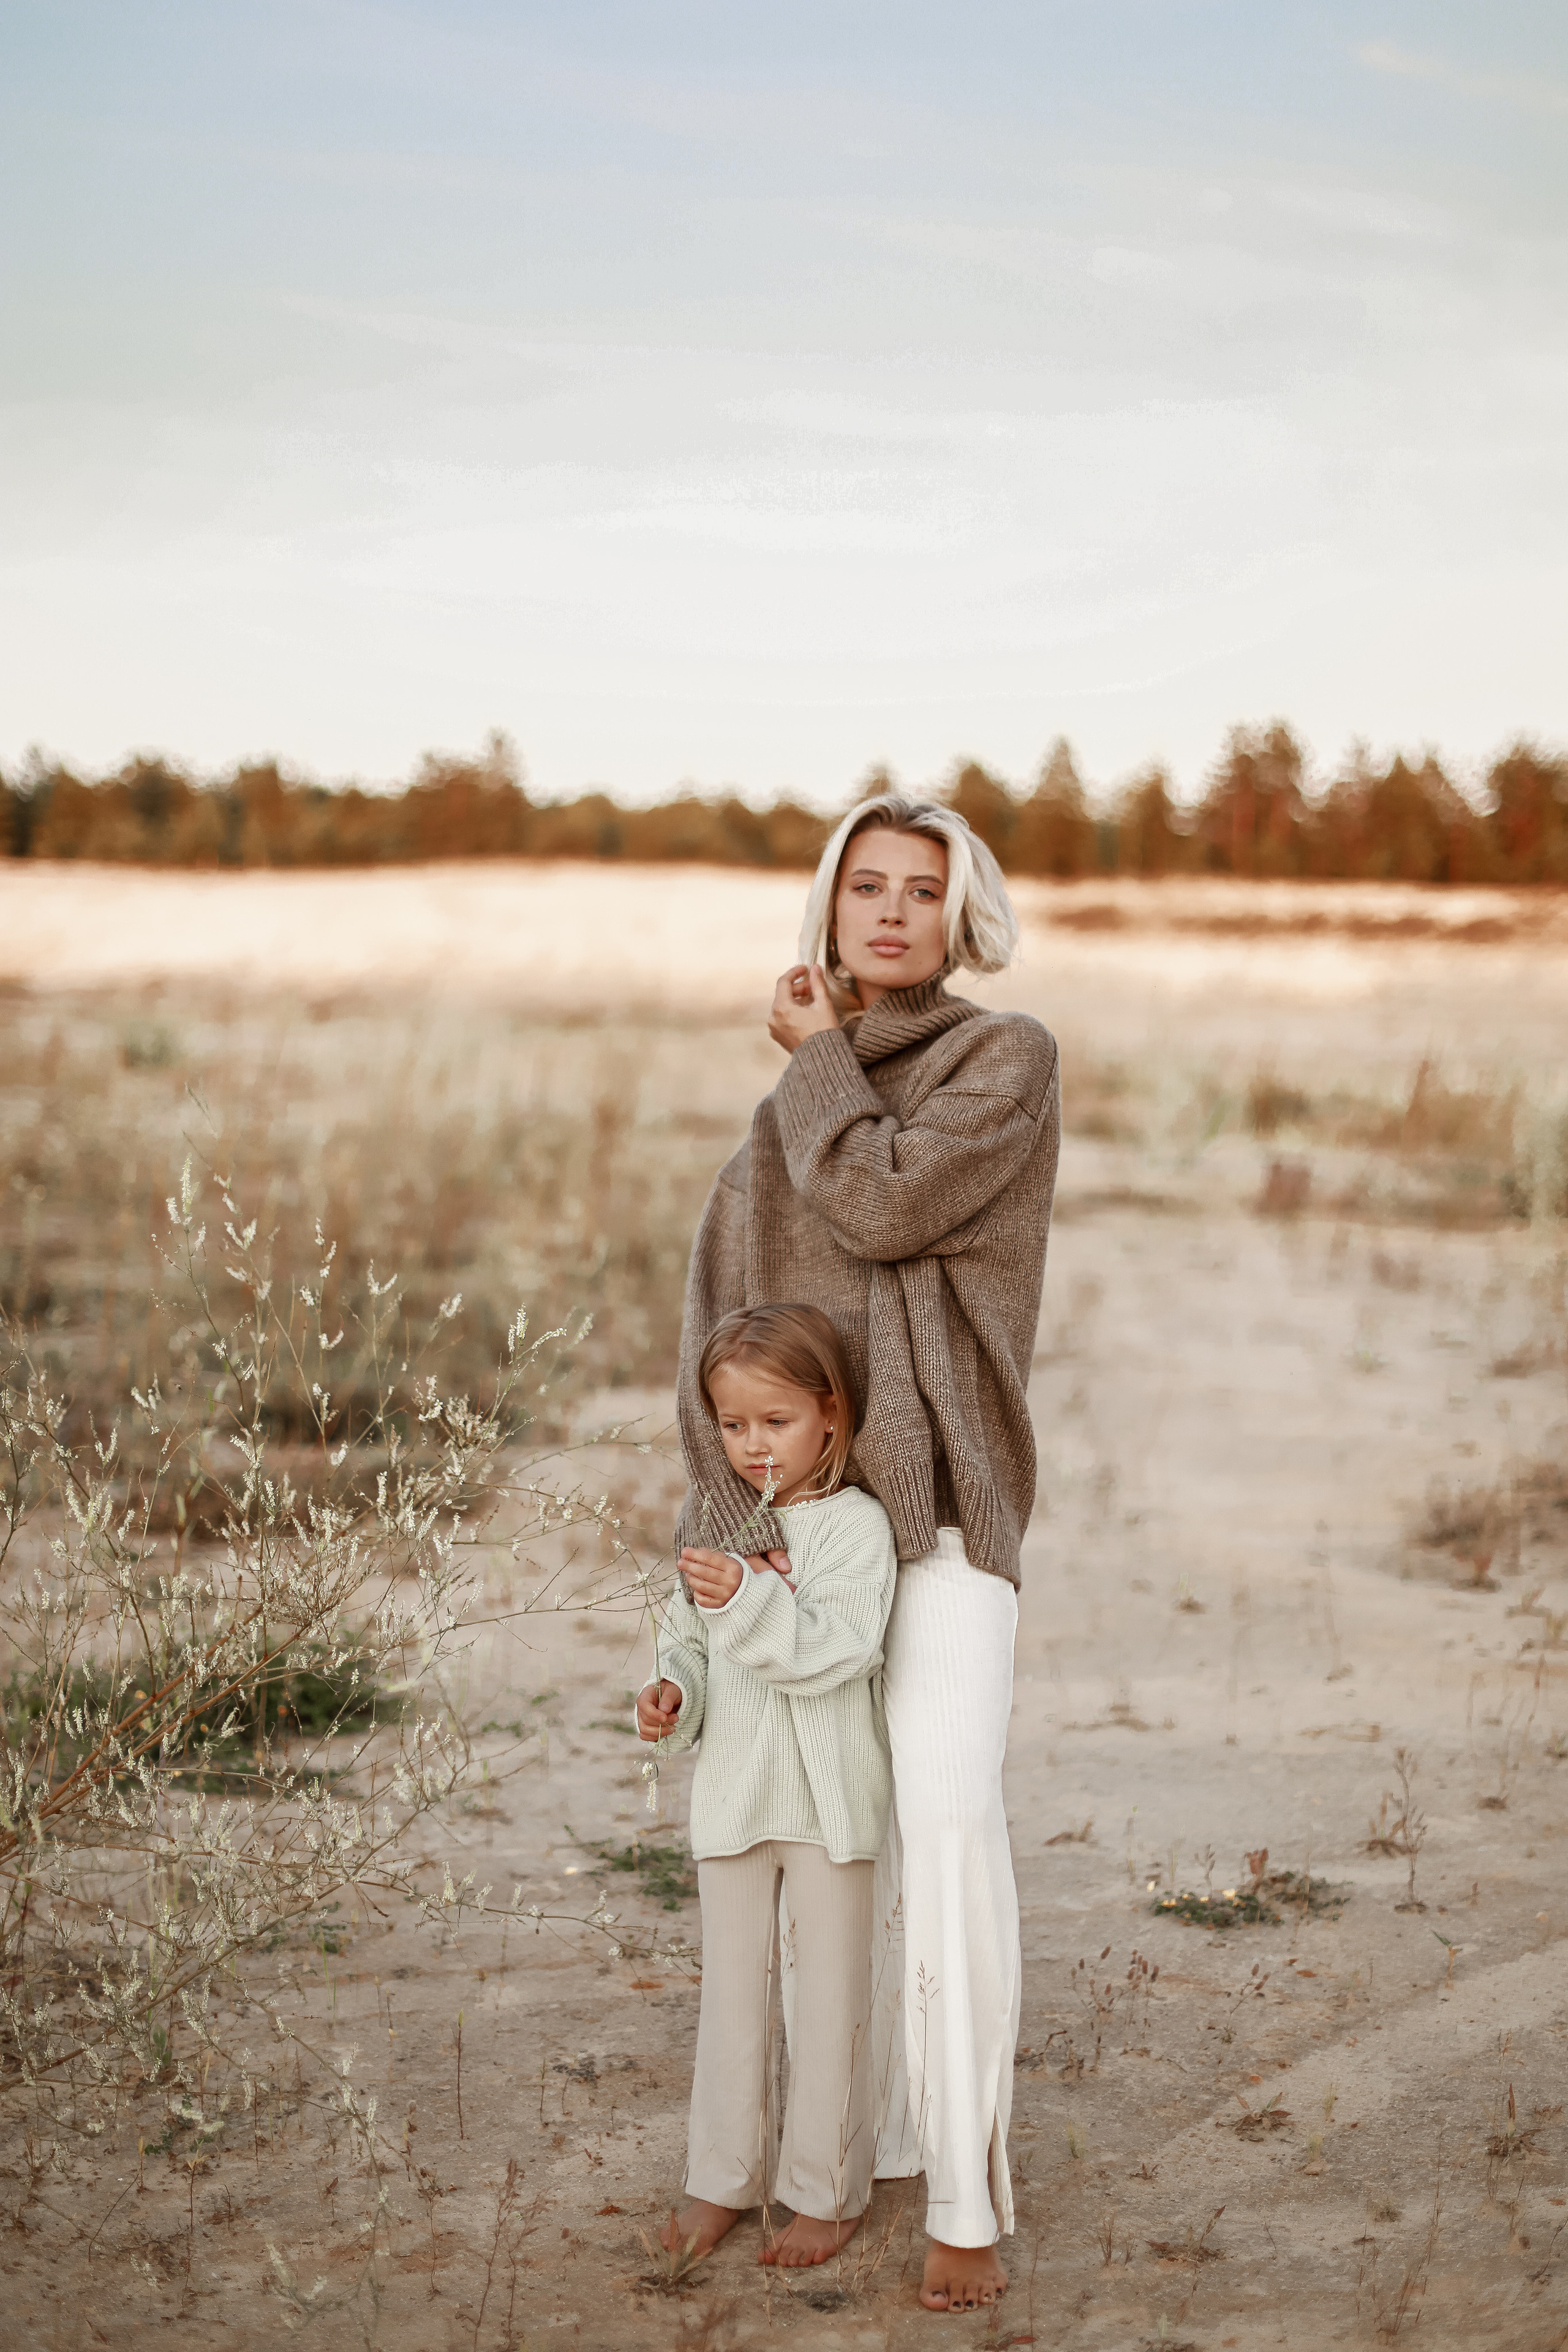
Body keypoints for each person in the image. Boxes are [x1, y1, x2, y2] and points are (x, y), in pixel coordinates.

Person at [674, 793, 1059, 2312]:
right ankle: (866, 2147)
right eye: (864, 889)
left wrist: (810, 1057)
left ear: (961, 915)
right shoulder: (781, 1120)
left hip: (949, 1513)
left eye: (921, 890)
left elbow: (886, 1202)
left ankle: (964, 2194)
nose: (890, 912)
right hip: (809, 1543)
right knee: (852, 1851)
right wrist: (716, 1558)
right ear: (825, 914)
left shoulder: (1003, 1059)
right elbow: (723, 1343)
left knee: (949, 1825)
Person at [637, 1302, 898, 2267]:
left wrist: (749, 1595)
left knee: (829, 2000)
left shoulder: (855, 1528)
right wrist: (670, 1693)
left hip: (831, 1806)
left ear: (830, 1413)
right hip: (737, 1794)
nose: (753, 1445)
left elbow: (838, 1652)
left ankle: (828, 2190)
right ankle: (720, 2182)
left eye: (775, 1422)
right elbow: (686, 1640)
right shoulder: (715, 1521)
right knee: (732, 2004)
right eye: (733, 1424)